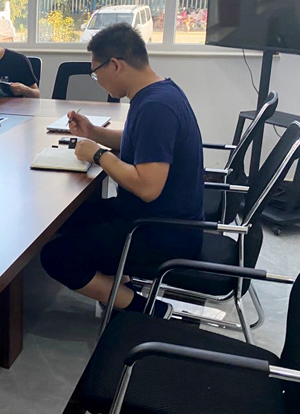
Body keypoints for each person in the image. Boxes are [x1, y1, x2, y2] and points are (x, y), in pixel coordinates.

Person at [40, 23, 205, 318]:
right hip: (156, 217)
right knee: (68, 218)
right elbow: (137, 142)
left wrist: (98, 154)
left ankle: (148, 310)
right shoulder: (158, 92)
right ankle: (120, 286)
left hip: (162, 232)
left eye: (96, 72)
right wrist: (93, 132)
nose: (97, 81)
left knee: (56, 257)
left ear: (115, 65)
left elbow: (147, 187)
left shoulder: (156, 108)